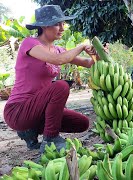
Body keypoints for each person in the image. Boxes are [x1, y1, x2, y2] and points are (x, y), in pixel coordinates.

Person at [3, 5, 99, 153]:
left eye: (62, 24)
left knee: (82, 123)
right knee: (60, 86)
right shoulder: (30, 43)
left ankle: (31, 130)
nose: (62, 28)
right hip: (18, 111)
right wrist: (81, 46)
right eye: (57, 24)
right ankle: (50, 138)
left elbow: (87, 63)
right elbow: (58, 60)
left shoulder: (58, 50)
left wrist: (97, 54)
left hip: (39, 110)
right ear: (43, 26)